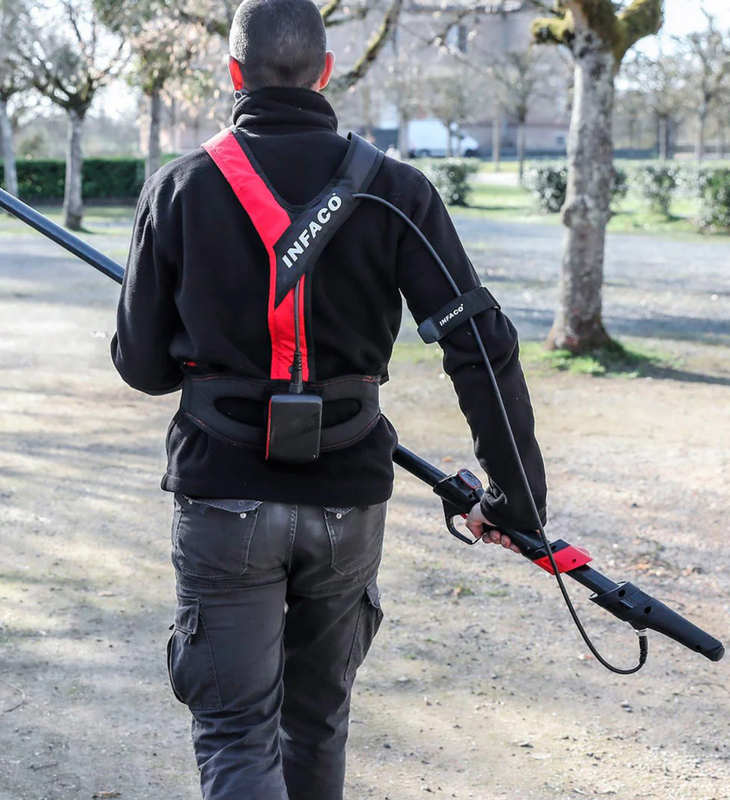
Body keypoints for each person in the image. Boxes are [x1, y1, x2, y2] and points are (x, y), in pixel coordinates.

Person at [110, 0, 546, 797]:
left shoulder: (179, 188)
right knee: (315, 724)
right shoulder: (399, 191)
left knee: (237, 734)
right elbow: (480, 345)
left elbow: (141, 368)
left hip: (225, 496)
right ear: (327, 72)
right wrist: (515, 500)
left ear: (234, 74)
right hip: (347, 501)